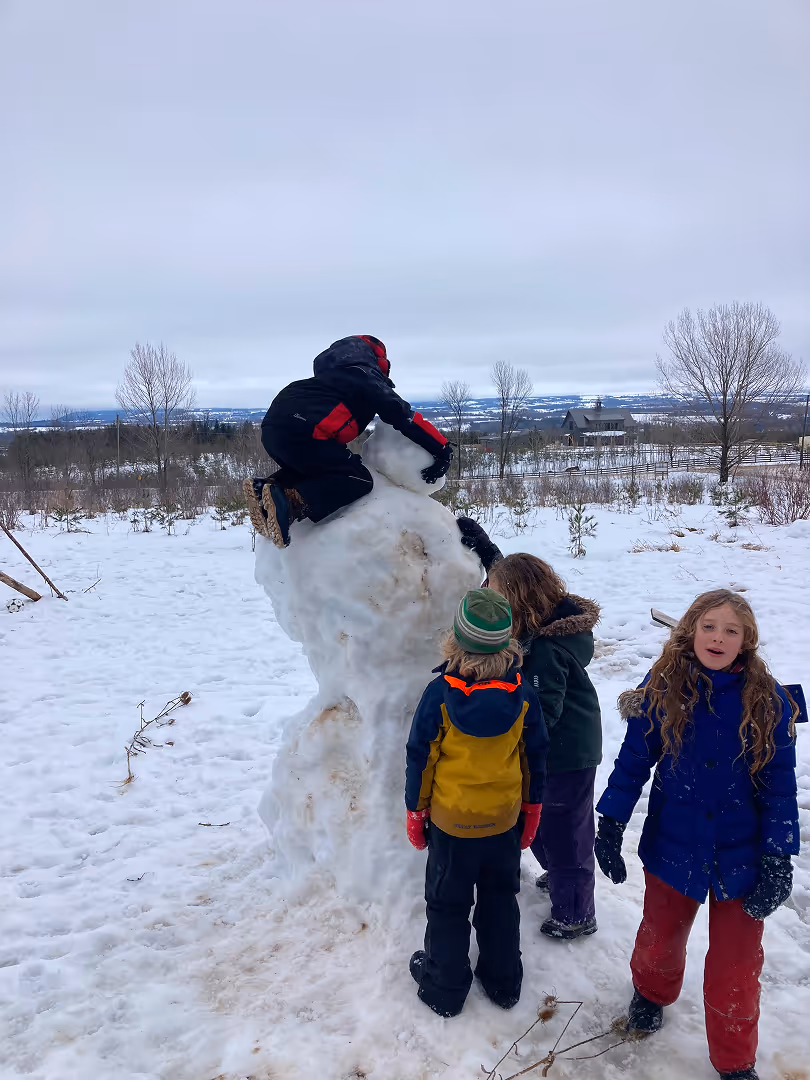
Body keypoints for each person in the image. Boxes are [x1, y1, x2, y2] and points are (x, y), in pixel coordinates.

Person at [594, 589, 800, 1080]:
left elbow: (779, 787)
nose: (718, 637)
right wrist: (612, 819)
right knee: (660, 939)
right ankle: (650, 993)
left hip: (742, 854)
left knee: (736, 964)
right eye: (710, 626)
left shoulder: (768, 699)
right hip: (674, 842)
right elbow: (633, 761)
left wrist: (778, 856)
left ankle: (734, 1061)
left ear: (746, 640)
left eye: (732, 630)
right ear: (691, 629)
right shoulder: (664, 684)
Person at [404, 588, 548, 1017]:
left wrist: (417, 811)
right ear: (508, 643)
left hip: (451, 828)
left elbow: (421, 756)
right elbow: (534, 755)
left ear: (456, 639)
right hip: (502, 823)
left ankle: (443, 988)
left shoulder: (440, 695)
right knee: (500, 901)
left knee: (448, 906)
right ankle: (504, 982)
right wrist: (532, 808)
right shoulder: (522, 694)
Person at [244, 335, 453, 547]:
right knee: (356, 478)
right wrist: (441, 448)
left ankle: (266, 490)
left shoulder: (332, 378)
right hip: (305, 430)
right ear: (379, 360)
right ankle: (289, 501)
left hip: (274, 430)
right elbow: (403, 415)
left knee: (322, 469)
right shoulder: (363, 374)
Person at [487, 554, 602, 940]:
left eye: (497, 592)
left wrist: (502, 738)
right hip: (554, 752)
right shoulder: (540, 630)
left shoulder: (544, 652)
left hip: (566, 756)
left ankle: (576, 914)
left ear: (517, 601)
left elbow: (544, 715)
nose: (489, 594)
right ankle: (559, 874)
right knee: (544, 825)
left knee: (566, 832)